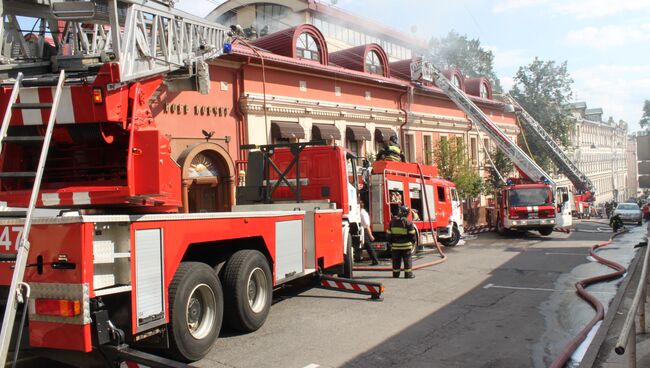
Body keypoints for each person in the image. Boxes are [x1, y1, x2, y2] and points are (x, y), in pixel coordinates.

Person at [386, 205, 417, 279]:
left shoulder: (392, 221)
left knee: (396, 261)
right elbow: (412, 235)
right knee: (407, 260)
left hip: (395, 246)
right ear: (406, 213)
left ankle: (396, 274)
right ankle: (408, 274)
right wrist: (413, 242)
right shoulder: (408, 222)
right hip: (406, 246)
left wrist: (391, 243)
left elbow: (388, 234)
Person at [358, 199, 379, 266]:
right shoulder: (362, 212)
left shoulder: (362, 213)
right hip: (363, 230)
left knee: (368, 246)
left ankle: (375, 260)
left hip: (365, 230)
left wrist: (370, 235)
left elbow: (367, 225)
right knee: (367, 246)